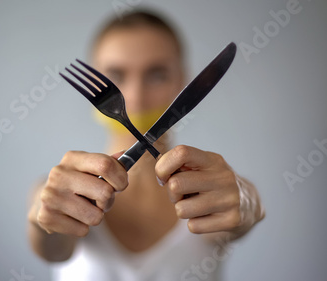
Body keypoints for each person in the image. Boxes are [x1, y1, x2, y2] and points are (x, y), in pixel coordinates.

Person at [27, 9, 265, 281]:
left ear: (181, 81)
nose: (136, 97)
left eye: (156, 75)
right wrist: (43, 216)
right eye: (116, 75)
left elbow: (244, 209)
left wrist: (249, 201)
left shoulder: (211, 193)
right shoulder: (60, 191)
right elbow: (53, 250)